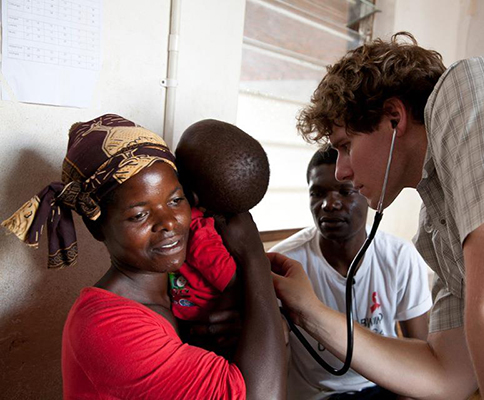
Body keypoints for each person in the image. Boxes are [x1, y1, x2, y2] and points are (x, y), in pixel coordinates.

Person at [269, 32, 484, 399]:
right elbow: (445, 373)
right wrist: (309, 309)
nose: (342, 171)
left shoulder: (471, 89)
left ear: (394, 117)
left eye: (345, 146)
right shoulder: (437, 229)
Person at [1, 114, 286, 399]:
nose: (169, 222)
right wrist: (252, 253)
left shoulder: (181, 294)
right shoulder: (106, 328)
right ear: (95, 226)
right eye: (139, 214)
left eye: (175, 200)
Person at [271, 147, 431, 400]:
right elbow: (273, 353)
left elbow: (422, 351)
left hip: (385, 383)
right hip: (318, 393)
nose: (329, 204)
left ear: (367, 196)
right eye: (317, 193)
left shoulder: (400, 256)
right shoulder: (284, 264)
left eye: (345, 192)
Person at [169, 119, 271, 356]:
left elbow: (231, 278)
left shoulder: (198, 232)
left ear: (193, 198)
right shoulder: (214, 227)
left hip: (202, 329)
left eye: (176, 160)